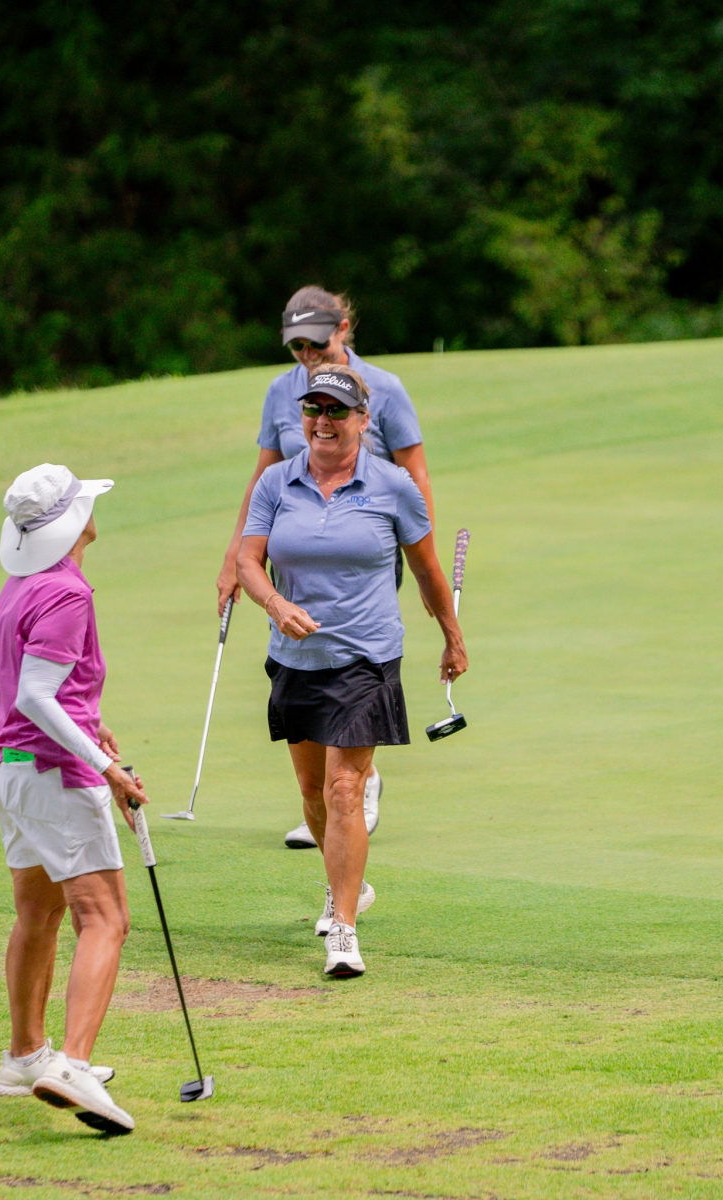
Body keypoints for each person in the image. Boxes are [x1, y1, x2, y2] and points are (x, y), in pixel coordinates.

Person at [236, 364, 467, 977]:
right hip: (295, 658)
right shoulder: (276, 483)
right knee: (313, 794)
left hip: (366, 657)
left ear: (364, 420)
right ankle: (347, 884)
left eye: (337, 410)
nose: (323, 420)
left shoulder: (392, 485)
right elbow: (248, 561)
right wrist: (275, 604)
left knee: (345, 788)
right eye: (313, 409)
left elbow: (425, 568)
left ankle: (342, 928)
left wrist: (452, 637)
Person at [217, 285, 435, 849]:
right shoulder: (280, 392)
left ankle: (353, 785)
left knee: (352, 663)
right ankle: (337, 789)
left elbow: (415, 474)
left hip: (366, 543)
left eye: (316, 342)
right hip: (298, 540)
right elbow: (263, 477)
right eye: (297, 347)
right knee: (308, 659)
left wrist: (421, 555)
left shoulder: (384, 388)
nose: (308, 355)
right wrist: (237, 557)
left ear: (342, 329)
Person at [0, 462, 148, 1135]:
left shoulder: (21, 585)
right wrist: (107, 766)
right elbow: (35, 695)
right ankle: (72, 1065)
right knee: (106, 918)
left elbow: (39, 689)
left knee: (39, 911)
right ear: (74, 522)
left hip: (11, 768)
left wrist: (90, 724)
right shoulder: (67, 593)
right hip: (54, 773)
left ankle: (25, 1057)